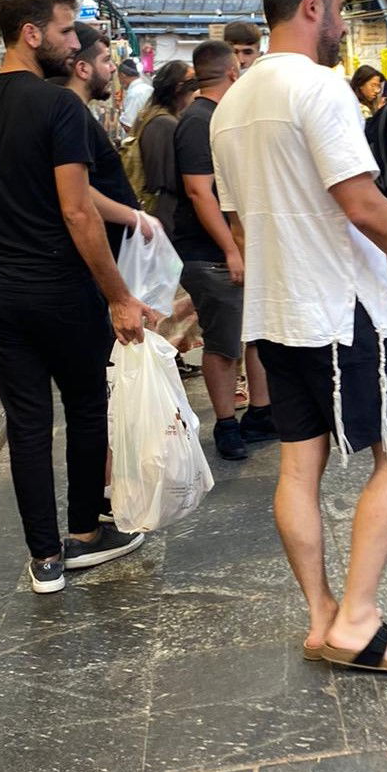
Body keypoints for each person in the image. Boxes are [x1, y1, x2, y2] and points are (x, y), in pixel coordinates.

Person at [211, 0, 387, 674]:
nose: (340, 29)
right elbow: (360, 204)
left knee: (299, 466)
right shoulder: (318, 89)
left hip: (274, 312)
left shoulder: (229, 106)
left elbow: (241, 224)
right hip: (340, 310)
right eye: (337, 12)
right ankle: (357, 619)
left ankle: (323, 616)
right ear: (311, 8)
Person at [0, 0, 155, 595]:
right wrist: (119, 296)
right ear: (31, 34)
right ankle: (84, 536)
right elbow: (79, 212)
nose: (73, 41)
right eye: (64, 30)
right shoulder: (61, 110)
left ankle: (44, 561)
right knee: (85, 408)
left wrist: (3, 208)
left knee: (27, 423)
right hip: (62, 290)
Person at [173, 39, 273, 461]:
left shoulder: (220, 117)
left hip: (234, 248)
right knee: (224, 342)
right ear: (233, 72)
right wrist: (231, 250)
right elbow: (199, 192)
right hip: (210, 252)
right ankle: (227, 425)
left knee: (251, 335)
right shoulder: (199, 121)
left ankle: (262, 416)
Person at [59, 23, 153, 258]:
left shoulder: (76, 115)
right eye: (106, 60)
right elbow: (77, 194)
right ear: (83, 69)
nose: (113, 68)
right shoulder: (72, 118)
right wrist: (135, 218)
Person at [137, 61, 198, 236]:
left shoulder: (153, 116)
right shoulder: (165, 124)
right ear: (179, 88)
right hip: (164, 211)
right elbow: (165, 178)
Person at [118, 58, 153, 132]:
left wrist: (120, 116)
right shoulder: (148, 88)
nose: (119, 82)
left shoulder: (134, 94)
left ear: (122, 75)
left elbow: (129, 126)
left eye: (119, 78)